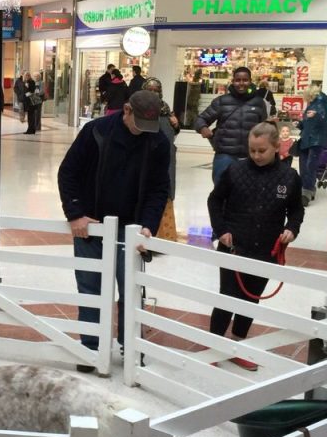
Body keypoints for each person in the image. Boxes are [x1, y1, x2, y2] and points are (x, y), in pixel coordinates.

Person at [58, 90, 170, 369]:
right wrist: (75, 214)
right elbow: (68, 172)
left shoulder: (157, 141)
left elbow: (159, 189)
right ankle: (91, 348)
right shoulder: (96, 132)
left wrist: (148, 226)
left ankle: (131, 346)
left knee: (132, 290)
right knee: (90, 287)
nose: (143, 131)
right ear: (127, 110)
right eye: (138, 123)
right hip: (91, 227)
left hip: (130, 229)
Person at [207, 122, 303, 371]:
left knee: (251, 299)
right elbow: (215, 200)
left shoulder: (289, 177)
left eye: (262, 150)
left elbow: (295, 209)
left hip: (266, 249)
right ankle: (214, 345)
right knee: (228, 296)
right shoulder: (235, 170)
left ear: (276, 147)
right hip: (233, 245)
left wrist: (292, 228)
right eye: (252, 150)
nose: (256, 156)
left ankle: (238, 345)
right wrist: (221, 230)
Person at [194, 65, 269, 184]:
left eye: (245, 80)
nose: (241, 83)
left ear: (250, 81)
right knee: (221, 191)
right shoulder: (222, 101)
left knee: (249, 193)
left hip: (251, 156)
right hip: (224, 155)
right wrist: (203, 128)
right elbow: (200, 119)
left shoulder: (259, 103)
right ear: (233, 81)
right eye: (238, 80)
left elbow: (264, 128)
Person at [143, 77, 181, 240]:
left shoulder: (166, 110)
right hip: (145, 161)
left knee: (164, 195)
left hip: (166, 161)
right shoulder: (139, 110)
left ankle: (165, 238)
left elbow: (171, 134)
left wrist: (176, 125)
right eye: (149, 90)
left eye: (155, 91)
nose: (153, 93)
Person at [297, 84, 327, 206]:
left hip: (315, 140)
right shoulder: (312, 104)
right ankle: (307, 190)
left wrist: (315, 115)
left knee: (309, 166)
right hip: (307, 138)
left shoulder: (320, 103)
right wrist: (299, 124)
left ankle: (307, 191)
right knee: (305, 165)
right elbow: (307, 122)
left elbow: (323, 119)